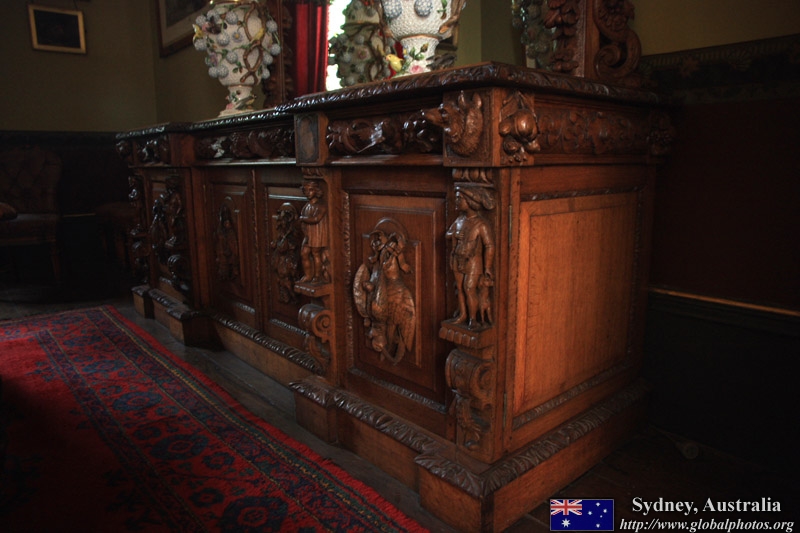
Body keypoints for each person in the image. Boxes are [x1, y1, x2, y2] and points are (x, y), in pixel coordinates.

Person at [446, 185, 495, 328]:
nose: (456, 201)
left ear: (470, 201)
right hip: (457, 258)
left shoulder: (481, 224)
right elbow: (448, 234)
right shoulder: (459, 220)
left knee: (469, 288)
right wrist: (454, 234)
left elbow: (489, 245)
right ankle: (463, 314)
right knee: (459, 287)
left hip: (473, 261)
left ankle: (473, 319)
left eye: (459, 199)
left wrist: (487, 267)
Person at [298, 180, 329, 283]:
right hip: (308, 234)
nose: (308, 193)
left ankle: (317, 276)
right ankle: (308, 275)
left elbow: (316, 219)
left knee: (316, 253)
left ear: (316, 190)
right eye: (306, 190)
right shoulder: (307, 206)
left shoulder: (321, 205)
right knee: (304, 253)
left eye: (311, 190)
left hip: (316, 233)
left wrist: (302, 218)